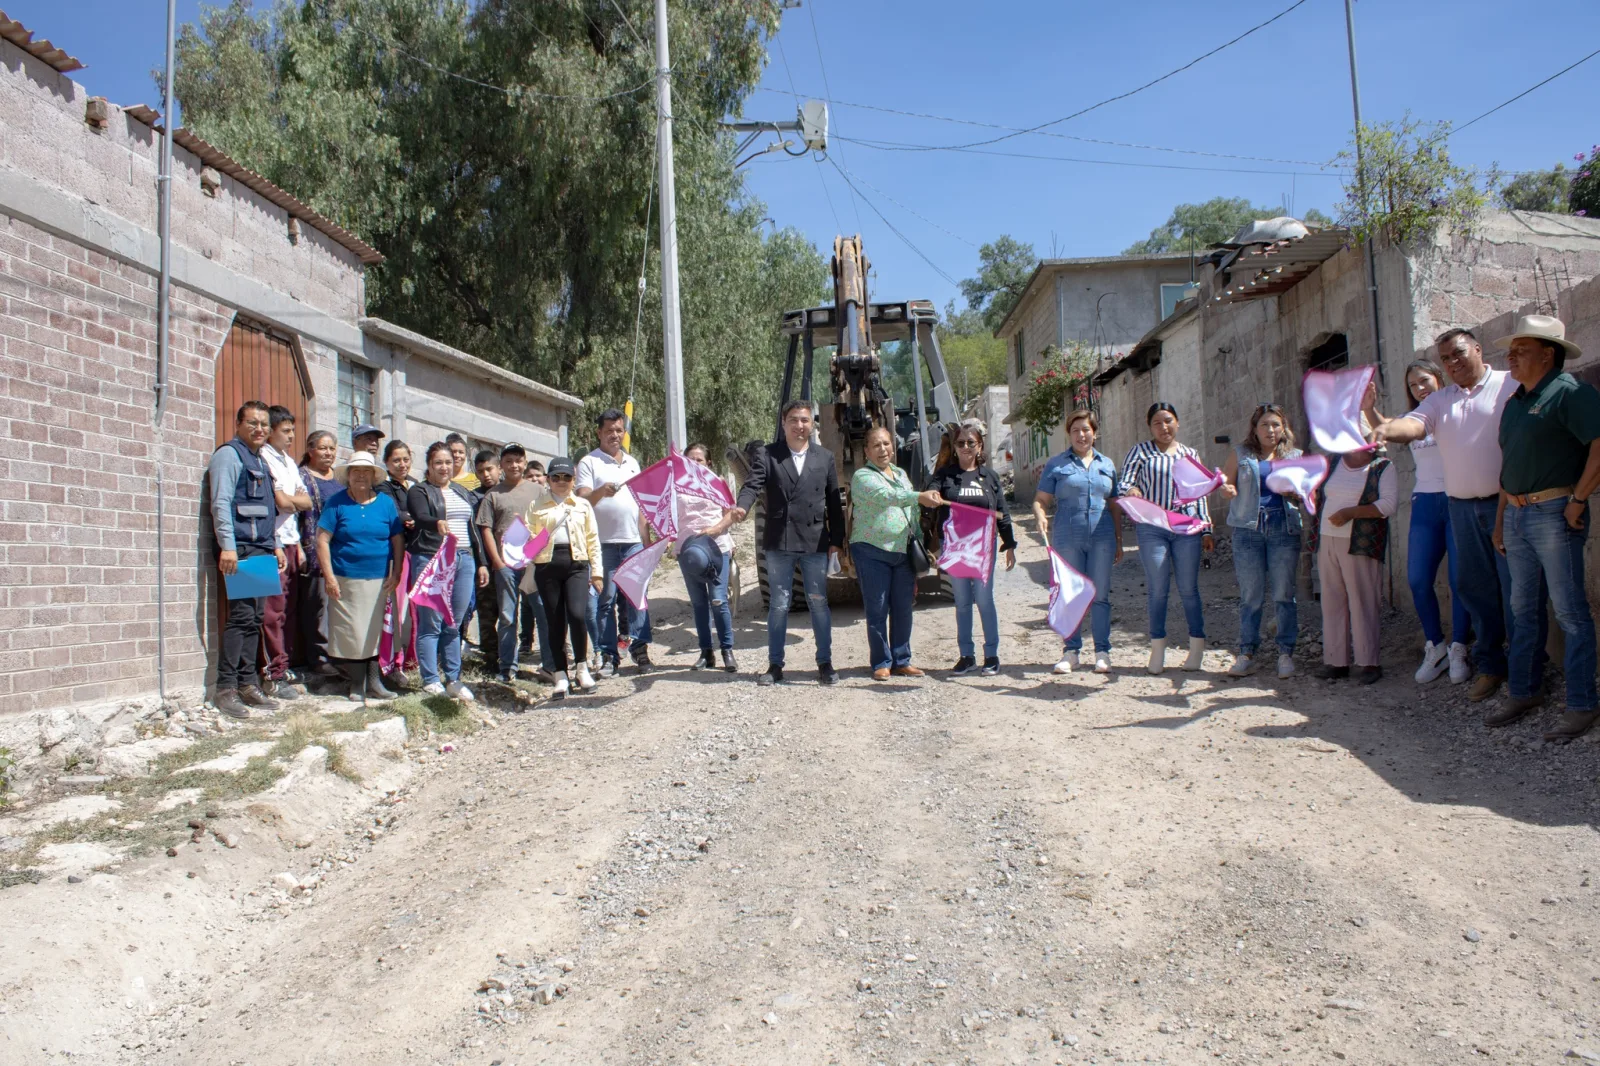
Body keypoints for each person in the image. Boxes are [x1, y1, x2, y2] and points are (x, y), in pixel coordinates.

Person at [1371, 328, 1545, 702]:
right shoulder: (1441, 400)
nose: (1453, 363)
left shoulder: (1507, 383)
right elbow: (1413, 424)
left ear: (1479, 350)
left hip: (1507, 506)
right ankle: (1491, 666)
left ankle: (1526, 676)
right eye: (1446, 358)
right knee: (1474, 591)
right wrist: (1386, 427)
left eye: (1458, 354)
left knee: (1517, 593)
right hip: (1460, 508)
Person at [1493, 316, 1600, 741]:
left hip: (1555, 511)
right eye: (1511, 350)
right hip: (1518, 515)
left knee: (1571, 612)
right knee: (1523, 609)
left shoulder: (1571, 394)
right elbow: (1508, 467)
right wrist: (1501, 520)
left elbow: (1599, 445)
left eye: (1520, 350)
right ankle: (1524, 690)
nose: (1511, 357)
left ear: (1547, 353)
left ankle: (1582, 704)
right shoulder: (1516, 402)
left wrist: (1578, 501)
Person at [733, 401, 846, 686]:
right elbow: (752, 485)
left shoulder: (825, 457)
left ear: (812, 425)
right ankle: (775, 665)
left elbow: (834, 502)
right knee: (779, 605)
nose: (799, 425)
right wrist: (741, 507)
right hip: (779, 542)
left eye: (805, 420)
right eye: (793, 420)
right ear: (784, 423)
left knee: (819, 604)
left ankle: (825, 663)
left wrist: (836, 541)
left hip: (814, 542)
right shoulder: (768, 455)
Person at [207, 401, 287, 719]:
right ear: (239, 423)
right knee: (240, 618)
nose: (260, 429)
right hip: (240, 549)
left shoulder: (260, 460)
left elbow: (269, 510)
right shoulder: (229, 455)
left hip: (262, 548)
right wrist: (226, 546)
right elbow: (221, 502)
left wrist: (277, 544)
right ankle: (225, 689)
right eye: (253, 423)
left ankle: (247, 683)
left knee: (254, 619)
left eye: (264, 425)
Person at [1120, 403, 1214, 675]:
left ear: (1178, 423)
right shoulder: (1140, 452)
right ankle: (1157, 650)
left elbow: (1200, 493)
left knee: (1188, 589)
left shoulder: (1189, 454)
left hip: (1186, 527)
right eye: (1157, 423)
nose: (1164, 427)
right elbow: (1124, 482)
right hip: (1153, 526)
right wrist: (1133, 489)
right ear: (1150, 427)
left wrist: (1206, 528)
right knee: (1158, 589)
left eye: (1168, 421)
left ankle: (1196, 650)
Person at [1399, 361, 1474, 685]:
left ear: (1438, 379)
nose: (1420, 389)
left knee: (1460, 580)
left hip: (1457, 498)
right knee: (1417, 579)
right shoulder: (1411, 420)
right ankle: (1436, 646)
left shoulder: (1455, 410)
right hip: (1425, 502)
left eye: (1424, 381)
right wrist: (1371, 412)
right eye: (1413, 385)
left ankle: (1459, 647)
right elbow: (1389, 433)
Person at [850, 426, 945, 680]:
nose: (883, 449)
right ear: (867, 451)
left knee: (903, 607)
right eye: (876, 445)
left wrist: (921, 540)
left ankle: (902, 659)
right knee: (878, 608)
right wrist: (919, 496)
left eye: (886, 444)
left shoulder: (902, 474)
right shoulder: (862, 476)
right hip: (872, 551)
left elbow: (912, 511)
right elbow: (887, 497)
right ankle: (881, 661)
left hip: (902, 551)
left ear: (893, 446)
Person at [1220, 403, 1304, 680]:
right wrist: (1228, 489)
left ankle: (1285, 653)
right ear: (1254, 430)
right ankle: (1246, 653)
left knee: (1283, 594)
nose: (1270, 430)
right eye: (1264, 425)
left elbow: (1305, 496)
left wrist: (1295, 492)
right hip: (1248, 529)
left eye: (1275, 424)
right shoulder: (1241, 454)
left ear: (1283, 428)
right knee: (1251, 596)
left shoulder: (1294, 456)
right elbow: (1226, 484)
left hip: (1283, 527)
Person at [1034, 409, 1121, 675]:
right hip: (1067, 537)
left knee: (1100, 595)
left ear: (1094, 433)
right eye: (1075, 430)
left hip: (1102, 537)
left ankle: (1102, 652)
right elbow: (1041, 500)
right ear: (1069, 434)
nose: (1081, 435)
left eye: (1086, 430)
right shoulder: (1057, 465)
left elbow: (1115, 504)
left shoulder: (1107, 465)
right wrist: (1040, 516)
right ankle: (1071, 652)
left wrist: (1119, 539)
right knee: (1071, 595)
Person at [315, 451, 406, 704]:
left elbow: (397, 538)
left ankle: (375, 682)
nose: (361, 476)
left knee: (376, 630)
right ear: (349, 476)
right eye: (356, 472)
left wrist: (397, 572)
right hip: (345, 578)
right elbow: (322, 540)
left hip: (380, 579)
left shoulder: (386, 503)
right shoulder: (336, 502)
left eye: (366, 472)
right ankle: (357, 684)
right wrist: (330, 578)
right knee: (352, 633)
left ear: (374, 476)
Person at [1308, 440, 1396, 684]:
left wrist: (1350, 512)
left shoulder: (1383, 466)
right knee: (1332, 601)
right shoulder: (1333, 461)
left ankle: (1369, 662)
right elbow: (1319, 493)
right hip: (1328, 538)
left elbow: (1388, 504)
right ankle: (1337, 662)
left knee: (1363, 601)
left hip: (1361, 543)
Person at [407, 442, 489, 699]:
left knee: (453, 622)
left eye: (448, 462)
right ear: (429, 466)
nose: (444, 467)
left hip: (464, 559)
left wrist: (483, 562)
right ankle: (430, 679)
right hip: (433, 559)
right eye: (438, 463)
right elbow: (419, 515)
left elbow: (474, 529)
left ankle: (453, 679)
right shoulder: (420, 490)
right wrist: (437, 523)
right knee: (431, 622)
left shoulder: (462, 492)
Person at [934, 421, 1016, 676]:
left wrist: (1010, 543)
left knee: (983, 598)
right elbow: (931, 499)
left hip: (983, 546)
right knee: (961, 602)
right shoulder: (944, 476)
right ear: (954, 447)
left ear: (979, 445)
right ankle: (966, 656)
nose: (966, 447)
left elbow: (1002, 511)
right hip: (957, 546)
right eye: (961, 443)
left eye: (971, 442)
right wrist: (931, 496)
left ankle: (991, 655)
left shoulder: (989, 476)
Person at [576, 409, 654, 675]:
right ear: (599, 433)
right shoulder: (589, 462)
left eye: (619, 430)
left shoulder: (632, 463)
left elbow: (642, 505)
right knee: (605, 600)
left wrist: (646, 541)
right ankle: (609, 656)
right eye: (609, 430)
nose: (614, 435)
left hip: (632, 541)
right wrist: (601, 491)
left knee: (637, 597)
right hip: (603, 544)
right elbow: (583, 500)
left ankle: (640, 650)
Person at [476, 443, 554, 683]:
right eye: (509, 461)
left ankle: (551, 666)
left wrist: (540, 549)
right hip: (506, 567)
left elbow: (548, 522)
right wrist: (498, 563)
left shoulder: (538, 491)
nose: (514, 465)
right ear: (502, 465)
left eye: (518, 460)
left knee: (543, 613)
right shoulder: (493, 495)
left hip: (534, 563)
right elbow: (486, 530)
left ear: (525, 461)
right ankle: (507, 667)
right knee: (508, 616)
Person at [526, 457, 604, 697]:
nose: (561, 482)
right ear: (548, 479)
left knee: (578, 615)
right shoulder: (536, 505)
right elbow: (528, 537)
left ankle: (581, 667)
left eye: (567, 477)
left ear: (574, 480)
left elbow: (593, 539)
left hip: (577, 565)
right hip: (547, 566)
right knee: (554, 620)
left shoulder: (582, 505)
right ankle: (560, 674)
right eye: (556, 477)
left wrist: (597, 572)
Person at [258, 405, 313, 695]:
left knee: (288, 610)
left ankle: (285, 666)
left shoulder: (289, 463)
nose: (292, 435)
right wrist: (291, 501)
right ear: (271, 431)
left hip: (292, 542)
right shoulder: (264, 457)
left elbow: (306, 502)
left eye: (293, 430)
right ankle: (272, 674)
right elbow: (281, 503)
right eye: (286, 430)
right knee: (271, 611)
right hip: (272, 543)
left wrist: (292, 501)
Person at [676, 443, 739, 672]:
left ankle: (727, 650)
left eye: (699, 460)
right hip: (689, 550)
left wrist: (715, 530)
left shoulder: (718, 483)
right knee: (699, 604)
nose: (694, 463)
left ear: (708, 462)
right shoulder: (676, 487)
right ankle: (706, 653)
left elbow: (730, 514)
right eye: (690, 459)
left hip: (716, 547)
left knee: (718, 600)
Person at [295, 430, 340, 679]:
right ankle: (319, 658)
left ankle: (339, 654)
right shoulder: (301, 477)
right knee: (318, 605)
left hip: (340, 551)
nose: (328, 453)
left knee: (338, 603)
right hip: (314, 551)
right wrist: (300, 549)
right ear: (311, 450)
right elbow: (294, 517)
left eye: (332, 448)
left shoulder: (341, 478)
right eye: (323, 448)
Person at [375, 439, 417, 689]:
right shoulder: (384, 486)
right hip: (396, 554)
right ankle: (393, 663)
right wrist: (412, 518)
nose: (402, 464)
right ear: (387, 463)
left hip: (417, 552)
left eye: (405, 459)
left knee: (415, 611)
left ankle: (413, 660)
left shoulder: (415, 485)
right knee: (396, 610)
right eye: (396, 460)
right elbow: (394, 514)